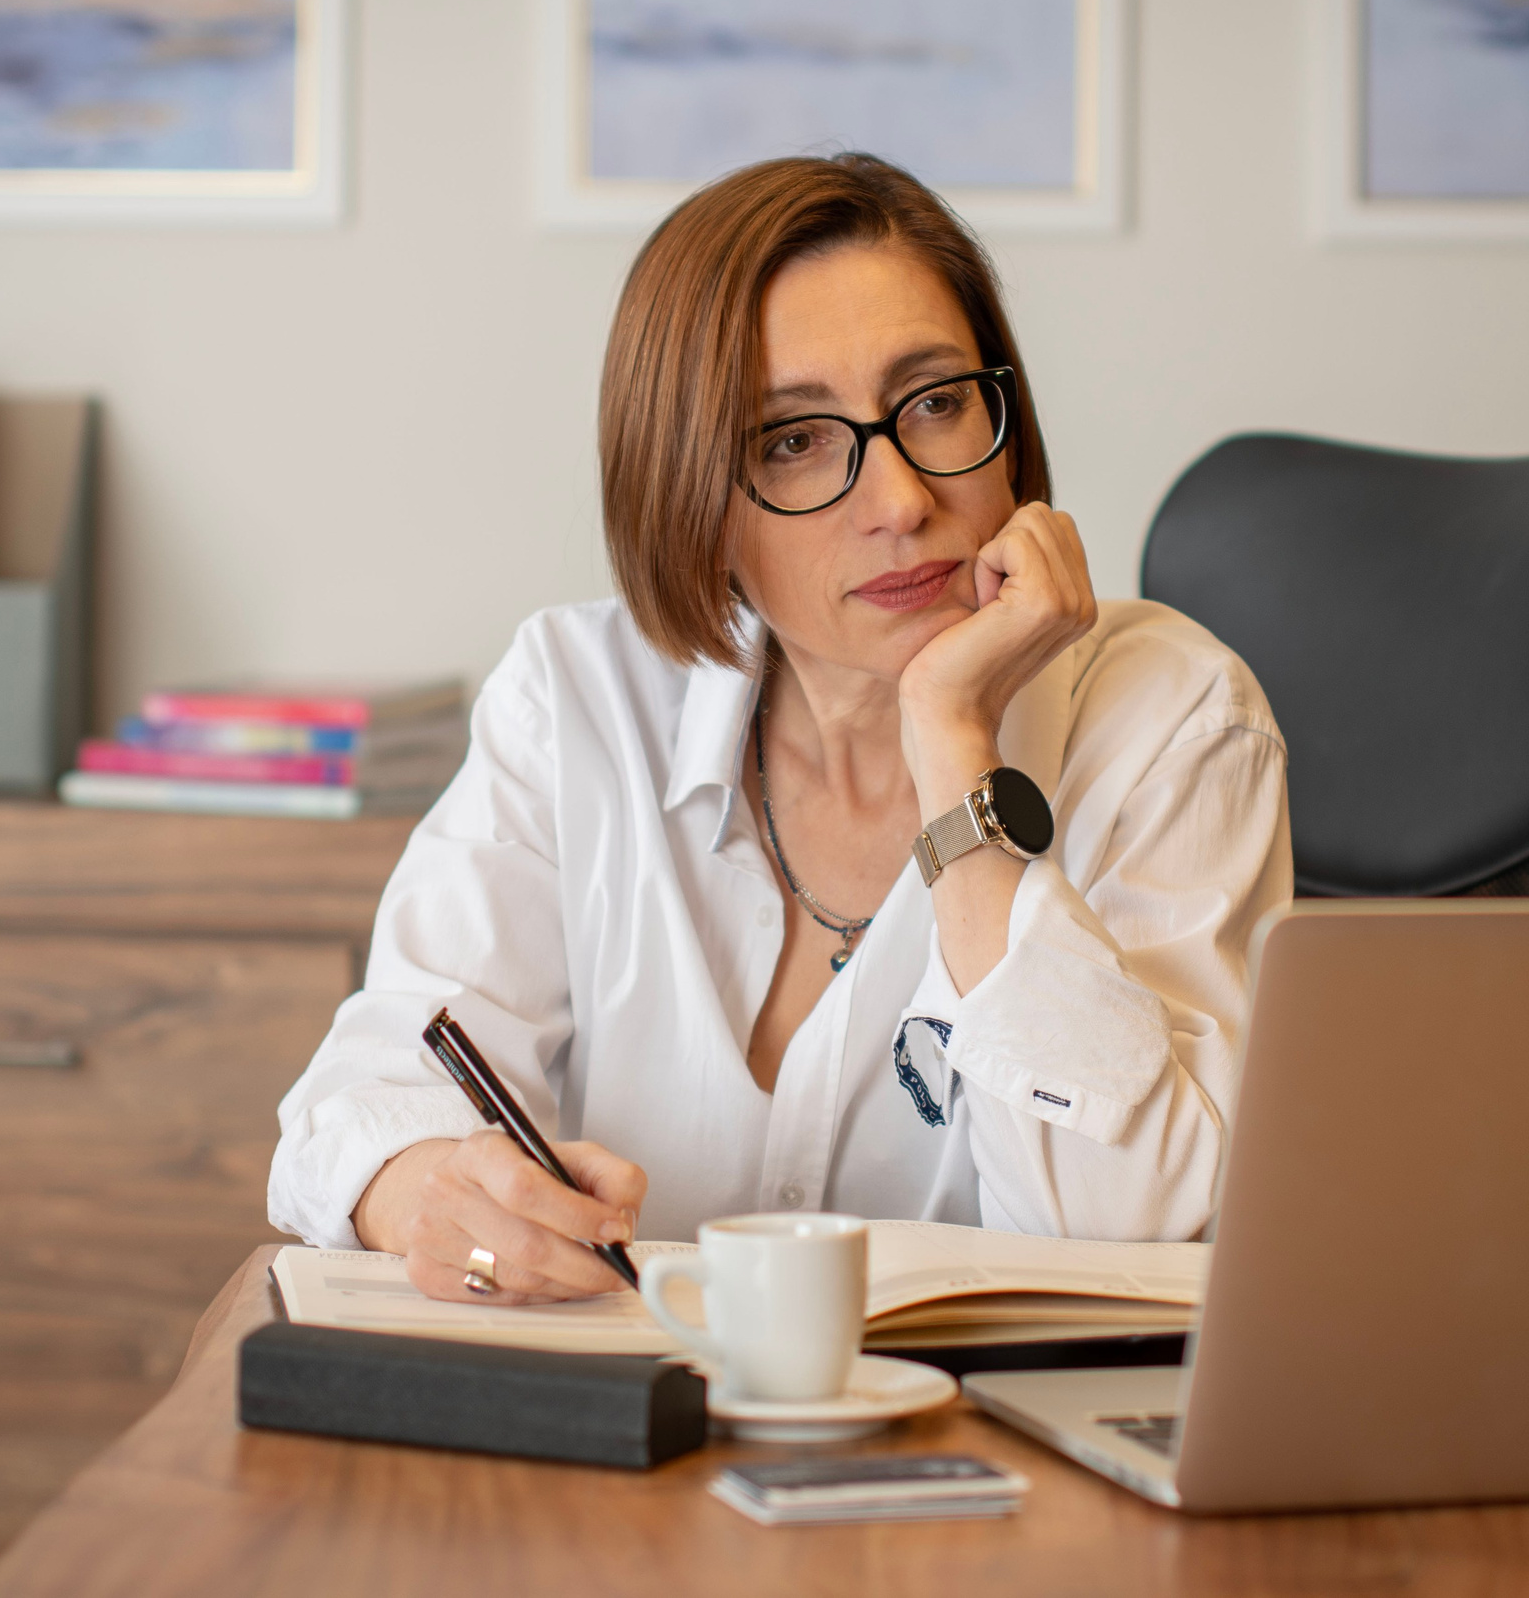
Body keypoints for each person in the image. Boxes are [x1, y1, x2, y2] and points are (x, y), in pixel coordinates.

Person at [268, 153, 1291, 1303]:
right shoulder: (576, 698)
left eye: (938, 401)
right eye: (792, 440)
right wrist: (431, 1194)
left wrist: (955, 746)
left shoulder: (1173, 719)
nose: (902, 500)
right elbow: (355, 1105)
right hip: (623, 1437)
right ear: (691, 500)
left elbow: (1135, 1240)